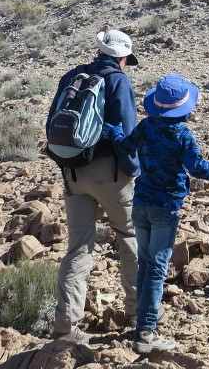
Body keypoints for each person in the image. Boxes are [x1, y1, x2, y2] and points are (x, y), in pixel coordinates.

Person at [104, 74, 209, 354]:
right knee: (156, 269)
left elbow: (125, 147)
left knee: (145, 263)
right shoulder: (183, 135)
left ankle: (141, 319)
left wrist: (113, 131)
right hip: (165, 207)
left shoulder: (146, 126)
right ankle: (146, 333)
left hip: (140, 204)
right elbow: (197, 167)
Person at [48, 30, 141, 342]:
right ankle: (138, 312)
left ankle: (65, 323)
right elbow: (128, 134)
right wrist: (134, 173)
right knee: (129, 236)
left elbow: (54, 125)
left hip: (74, 172)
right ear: (123, 57)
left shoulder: (71, 76)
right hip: (110, 173)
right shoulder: (119, 81)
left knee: (78, 246)